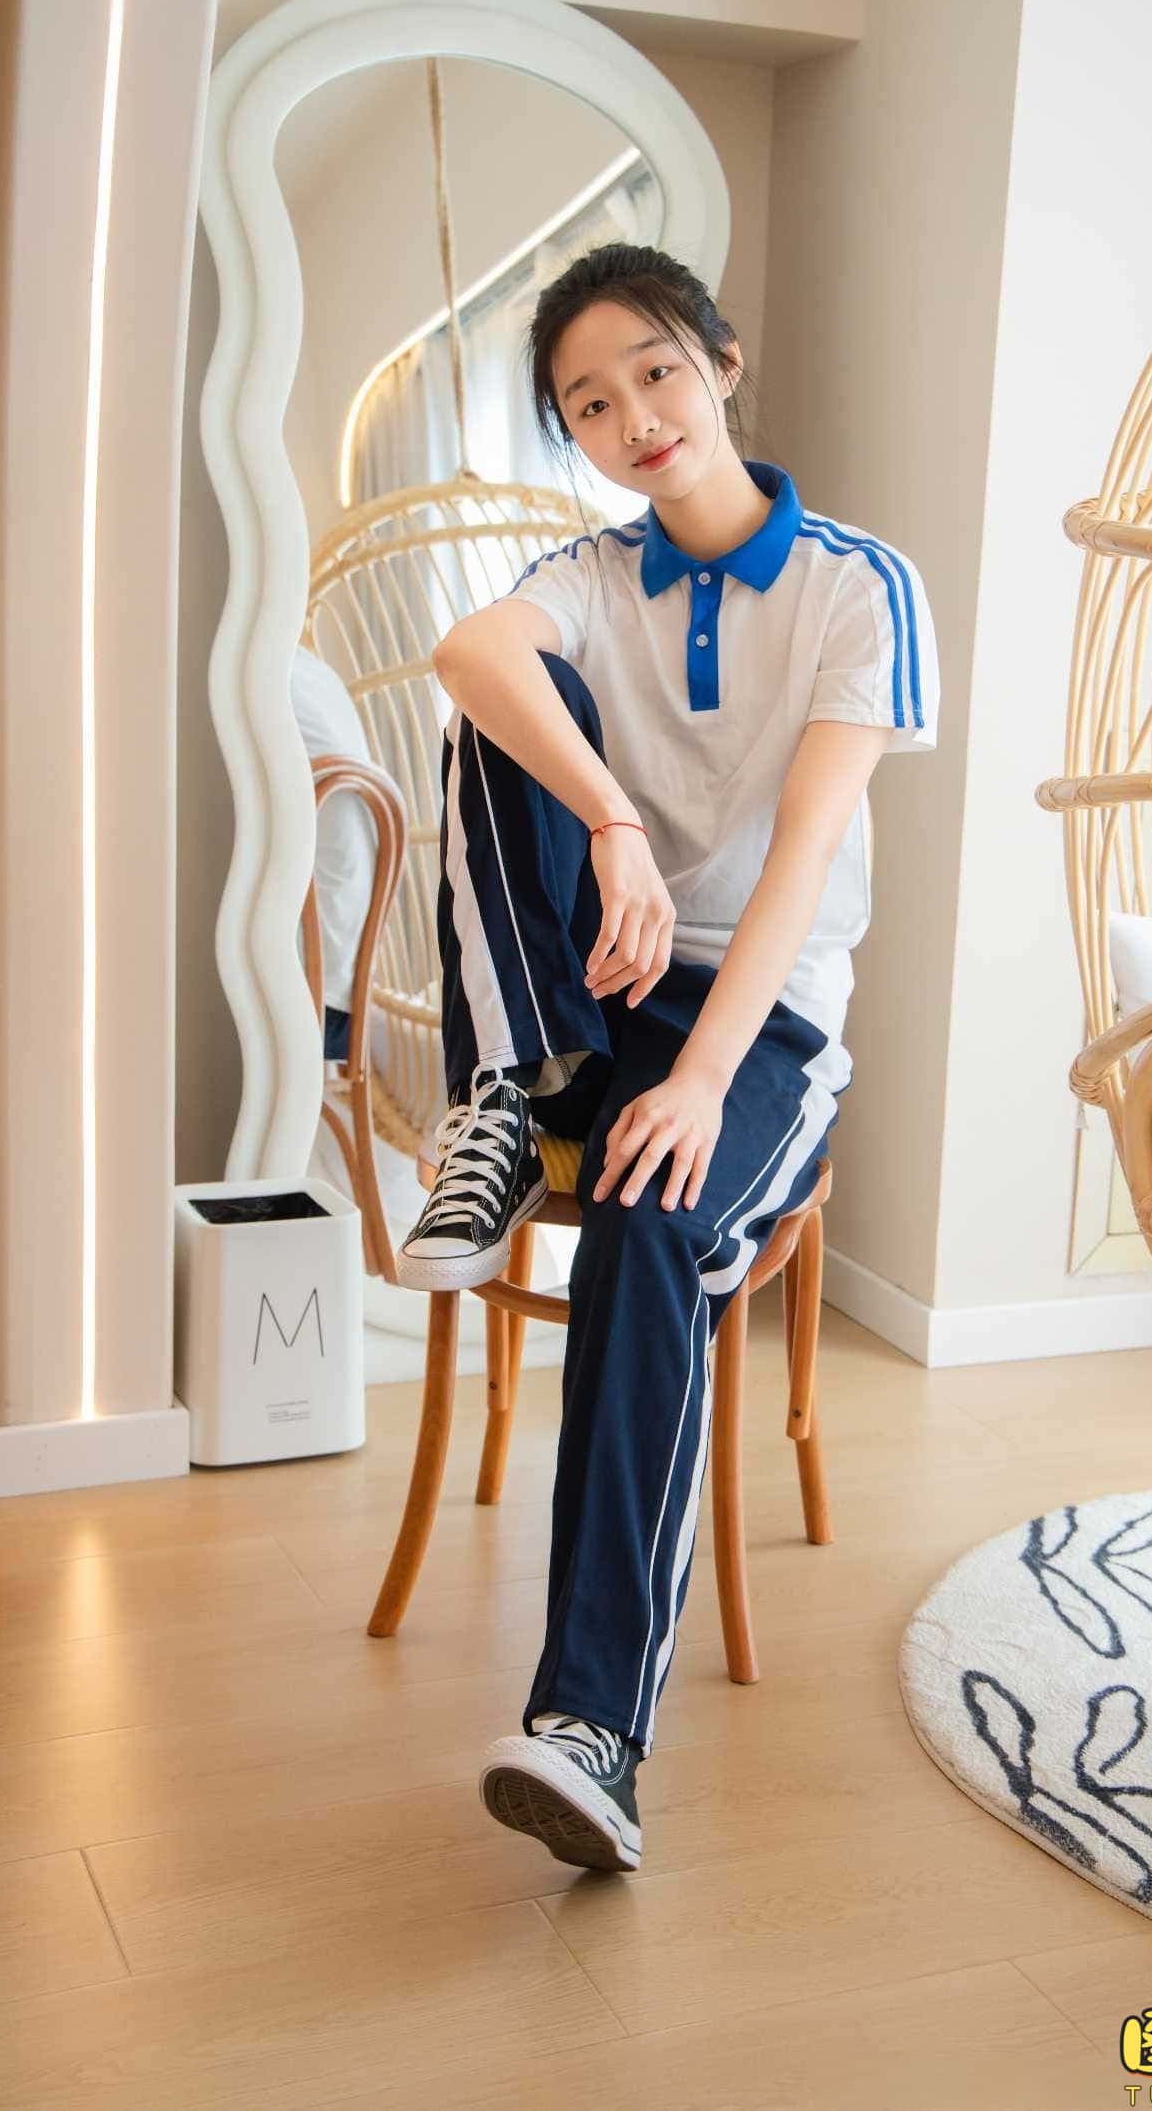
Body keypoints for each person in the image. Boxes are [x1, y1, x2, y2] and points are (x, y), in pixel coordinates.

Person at [397, 243, 939, 1874]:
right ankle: (508, 1096)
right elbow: (467, 656)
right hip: (607, 984)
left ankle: (590, 1732)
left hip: (766, 1017)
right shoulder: (587, 573)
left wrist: (701, 1078)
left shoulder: (858, 585)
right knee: (500, 700)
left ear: (721, 361)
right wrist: (615, 823)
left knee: (649, 1213)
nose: (632, 417)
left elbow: (804, 856)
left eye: (653, 371)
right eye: (587, 403)